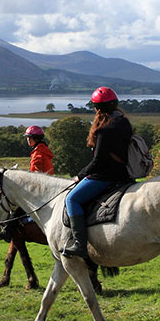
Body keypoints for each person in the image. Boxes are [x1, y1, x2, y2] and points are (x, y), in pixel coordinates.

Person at [62, 87, 132, 260]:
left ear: (98, 108)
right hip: (124, 175)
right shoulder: (124, 122)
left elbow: (98, 161)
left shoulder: (104, 129)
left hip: (105, 177)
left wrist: (80, 174)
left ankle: (79, 243)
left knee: (72, 199)